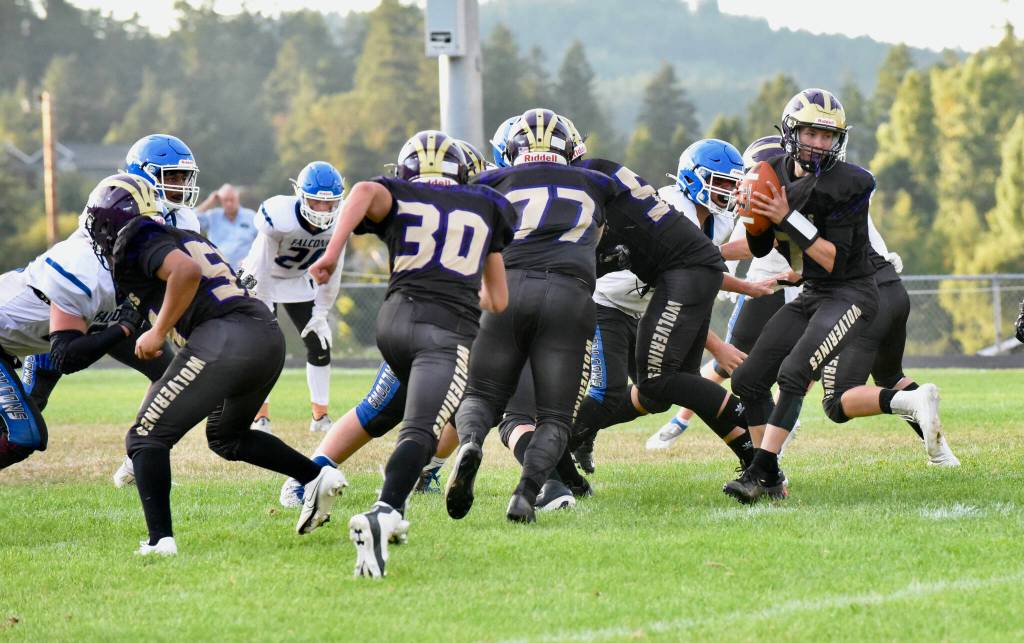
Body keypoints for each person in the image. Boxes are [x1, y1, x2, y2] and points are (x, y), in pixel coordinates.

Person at [85, 173, 345, 555]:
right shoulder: (182, 237)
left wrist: (158, 332)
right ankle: (315, 477)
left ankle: (160, 541)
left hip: (225, 339)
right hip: (265, 335)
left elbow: (186, 273)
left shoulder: (139, 237)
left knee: (145, 437)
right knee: (227, 437)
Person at [308, 130, 514, 578]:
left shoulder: (400, 194)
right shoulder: (487, 205)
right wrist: (463, 284)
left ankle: (331, 485)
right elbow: (497, 300)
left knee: (388, 411)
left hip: (393, 324)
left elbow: (364, 191)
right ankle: (384, 511)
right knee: (420, 429)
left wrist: (332, 253)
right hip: (445, 332)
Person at [725, 88, 940, 503]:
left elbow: (832, 258)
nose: (819, 144)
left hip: (852, 293)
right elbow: (760, 248)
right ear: (791, 133)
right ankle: (768, 474)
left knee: (794, 373)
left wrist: (785, 216)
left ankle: (761, 471)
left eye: (827, 136)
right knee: (747, 379)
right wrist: (753, 217)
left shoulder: (849, 183)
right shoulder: (772, 172)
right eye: (811, 133)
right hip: (813, 292)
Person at [275, 140, 491, 508]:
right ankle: (308, 474)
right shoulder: (473, 212)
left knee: (466, 405)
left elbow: (364, 194)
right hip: (431, 326)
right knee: (382, 410)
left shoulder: (421, 205)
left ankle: (425, 470)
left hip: (432, 326)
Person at [443, 108, 620, 525]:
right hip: (568, 295)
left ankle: (470, 442)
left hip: (508, 288)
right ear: (570, 151)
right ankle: (525, 494)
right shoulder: (597, 183)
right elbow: (597, 238)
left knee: (480, 395)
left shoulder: (490, 182)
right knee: (555, 417)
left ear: (512, 151)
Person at [646, 135, 803, 451]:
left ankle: (777, 425)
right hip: (766, 282)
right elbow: (741, 245)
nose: (734, 188)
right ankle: (682, 419)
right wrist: (717, 264)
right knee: (731, 362)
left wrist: (704, 257)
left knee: (799, 364)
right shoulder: (732, 202)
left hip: (796, 285)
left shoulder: (802, 193)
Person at [239, 162, 345, 434]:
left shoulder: (342, 220)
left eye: (329, 203)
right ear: (300, 195)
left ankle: (320, 417)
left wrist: (321, 312)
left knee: (319, 343)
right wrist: (261, 307)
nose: (323, 210)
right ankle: (259, 417)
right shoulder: (280, 217)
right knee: (264, 349)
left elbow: (334, 270)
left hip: (298, 279)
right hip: (258, 277)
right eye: (316, 201)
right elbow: (260, 268)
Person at [196, 184, 257, 268]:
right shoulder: (212, 216)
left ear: (237, 199)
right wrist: (209, 202)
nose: (229, 203)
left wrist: (252, 258)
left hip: (244, 270)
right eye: (225, 200)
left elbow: (262, 240)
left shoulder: (251, 216)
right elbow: (192, 219)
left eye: (232, 200)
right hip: (217, 270)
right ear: (220, 201)